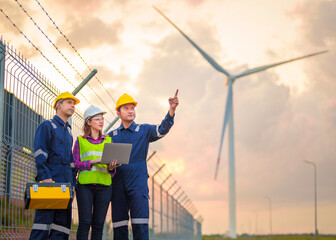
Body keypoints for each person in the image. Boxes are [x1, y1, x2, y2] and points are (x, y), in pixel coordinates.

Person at [108, 90, 179, 240]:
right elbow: (106, 165)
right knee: (119, 227)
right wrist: (110, 167)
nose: (130, 111)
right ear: (118, 113)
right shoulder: (111, 136)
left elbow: (162, 129)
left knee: (140, 225)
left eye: (132, 108)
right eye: (126, 108)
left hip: (138, 184)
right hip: (118, 185)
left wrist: (171, 110)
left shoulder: (144, 130)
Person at [29, 92, 79, 240]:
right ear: (58, 105)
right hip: (50, 183)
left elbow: (70, 161)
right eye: (69, 102)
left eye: (74, 104)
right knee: (42, 226)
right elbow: (39, 153)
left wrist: (73, 184)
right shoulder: (47, 125)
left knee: (62, 227)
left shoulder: (69, 132)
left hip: (65, 185)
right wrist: (45, 177)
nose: (73, 106)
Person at [73, 105, 119, 240]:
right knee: (85, 223)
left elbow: (111, 171)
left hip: (104, 186)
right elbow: (75, 164)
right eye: (97, 118)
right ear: (88, 122)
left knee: (98, 225)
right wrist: (93, 161)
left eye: (102, 119)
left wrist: (112, 167)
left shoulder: (109, 141)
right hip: (85, 186)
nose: (101, 121)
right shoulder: (80, 141)